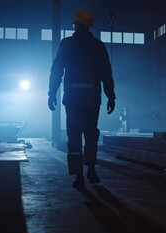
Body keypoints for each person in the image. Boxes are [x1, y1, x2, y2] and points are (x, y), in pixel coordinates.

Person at [48, 9, 116, 189]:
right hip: (92, 99)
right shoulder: (98, 46)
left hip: (73, 99)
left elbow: (56, 70)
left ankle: (78, 175)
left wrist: (51, 93)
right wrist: (111, 96)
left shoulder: (67, 44)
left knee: (74, 136)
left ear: (77, 25)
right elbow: (106, 74)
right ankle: (91, 169)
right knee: (91, 134)